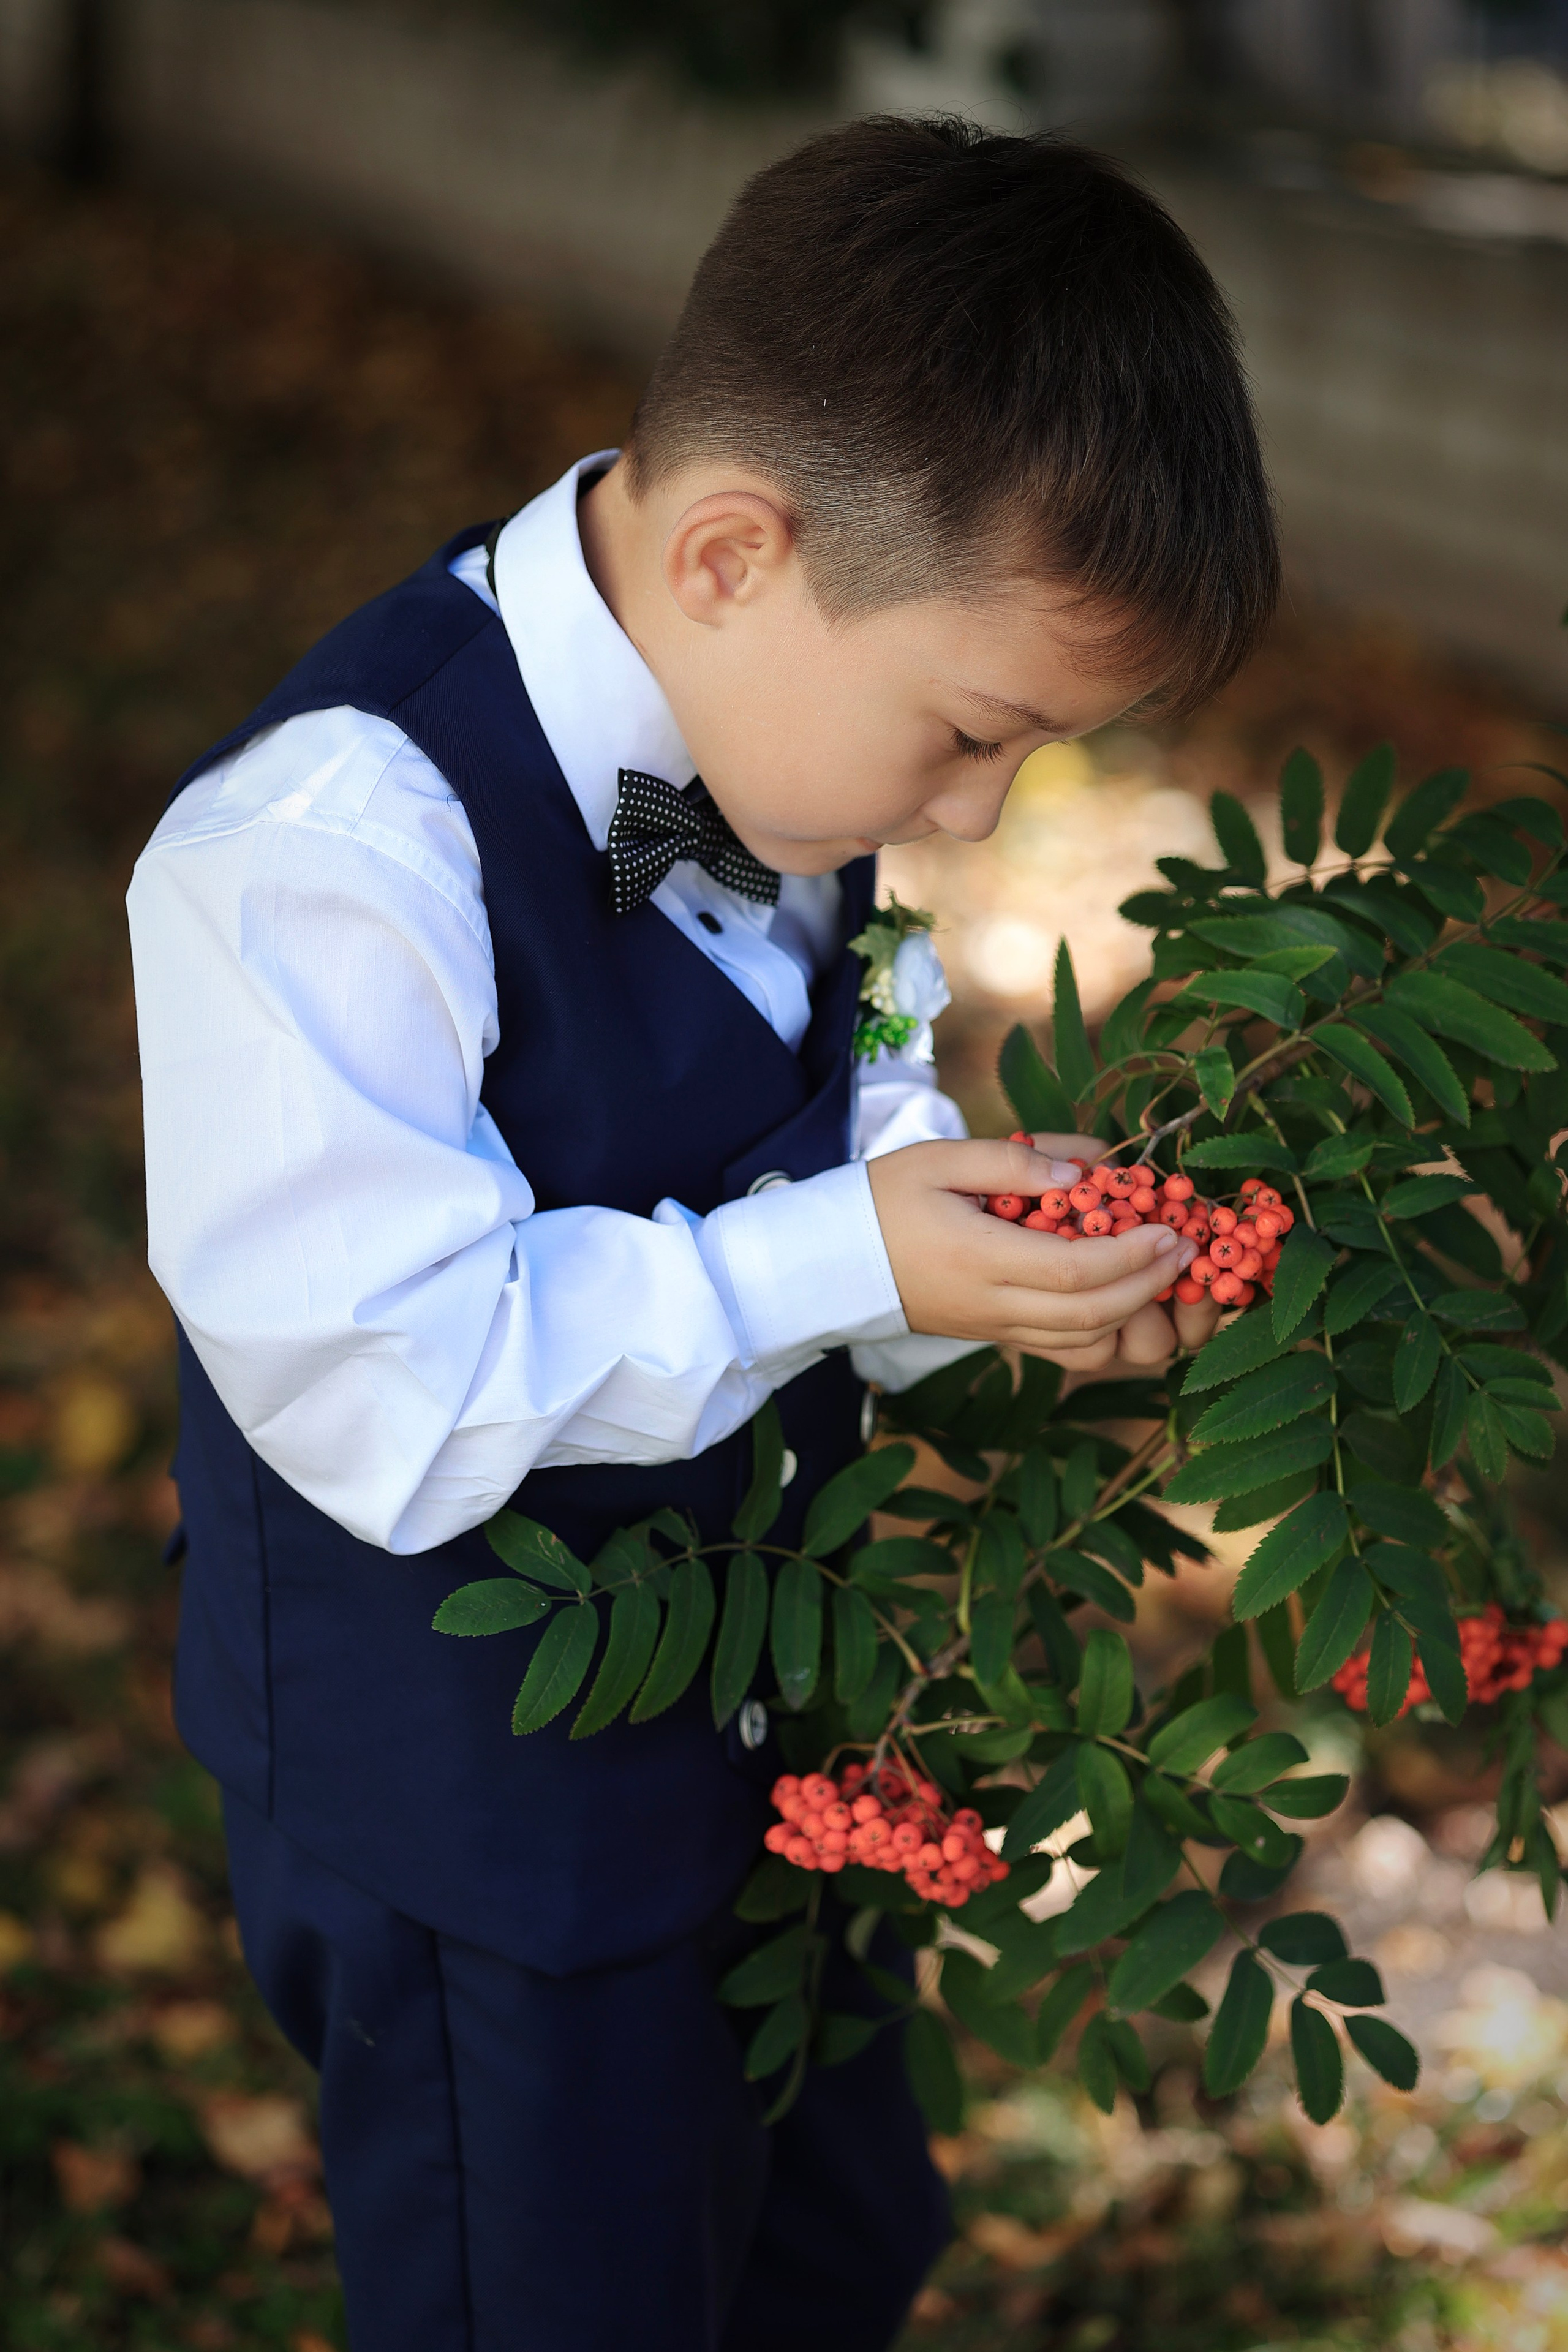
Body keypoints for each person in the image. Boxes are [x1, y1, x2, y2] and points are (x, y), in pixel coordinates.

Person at [127, 116, 1276, 2352]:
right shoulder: (330, 848)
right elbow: (394, 1383)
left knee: (829, 2251)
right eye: (972, 736)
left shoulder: (768, 739)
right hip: (493, 1845)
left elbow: (841, 1114)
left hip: (775, 1740)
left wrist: (985, 1286)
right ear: (737, 556)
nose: (973, 815)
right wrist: (850, 1264)